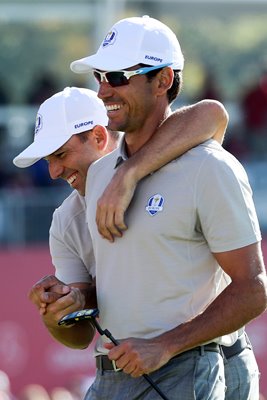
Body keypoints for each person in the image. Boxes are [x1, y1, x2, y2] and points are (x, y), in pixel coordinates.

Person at [68, 15, 267, 400]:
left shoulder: (210, 168)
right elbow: (118, 286)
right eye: (99, 76)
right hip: (109, 375)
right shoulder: (100, 174)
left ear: (162, 81)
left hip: (182, 373)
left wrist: (167, 345)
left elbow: (253, 289)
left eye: (118, 76)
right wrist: (72, 300)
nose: (103, 90)